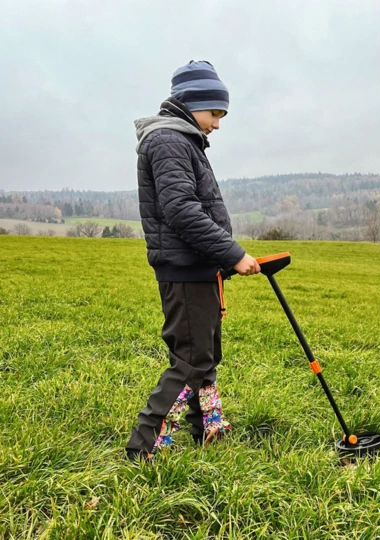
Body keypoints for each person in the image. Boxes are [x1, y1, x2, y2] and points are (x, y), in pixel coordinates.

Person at [125, 60, 260, 462]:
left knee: (205, 353)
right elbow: (181, 210)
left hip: (201, 268)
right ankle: (144, 446)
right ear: (192, 103)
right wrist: (233, 254)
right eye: (215, 113)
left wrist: (220, 260)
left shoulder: (184, 140)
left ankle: (208, 428)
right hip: (184, 270)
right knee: (189, 360)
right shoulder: (168, 140)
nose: (218, 124)